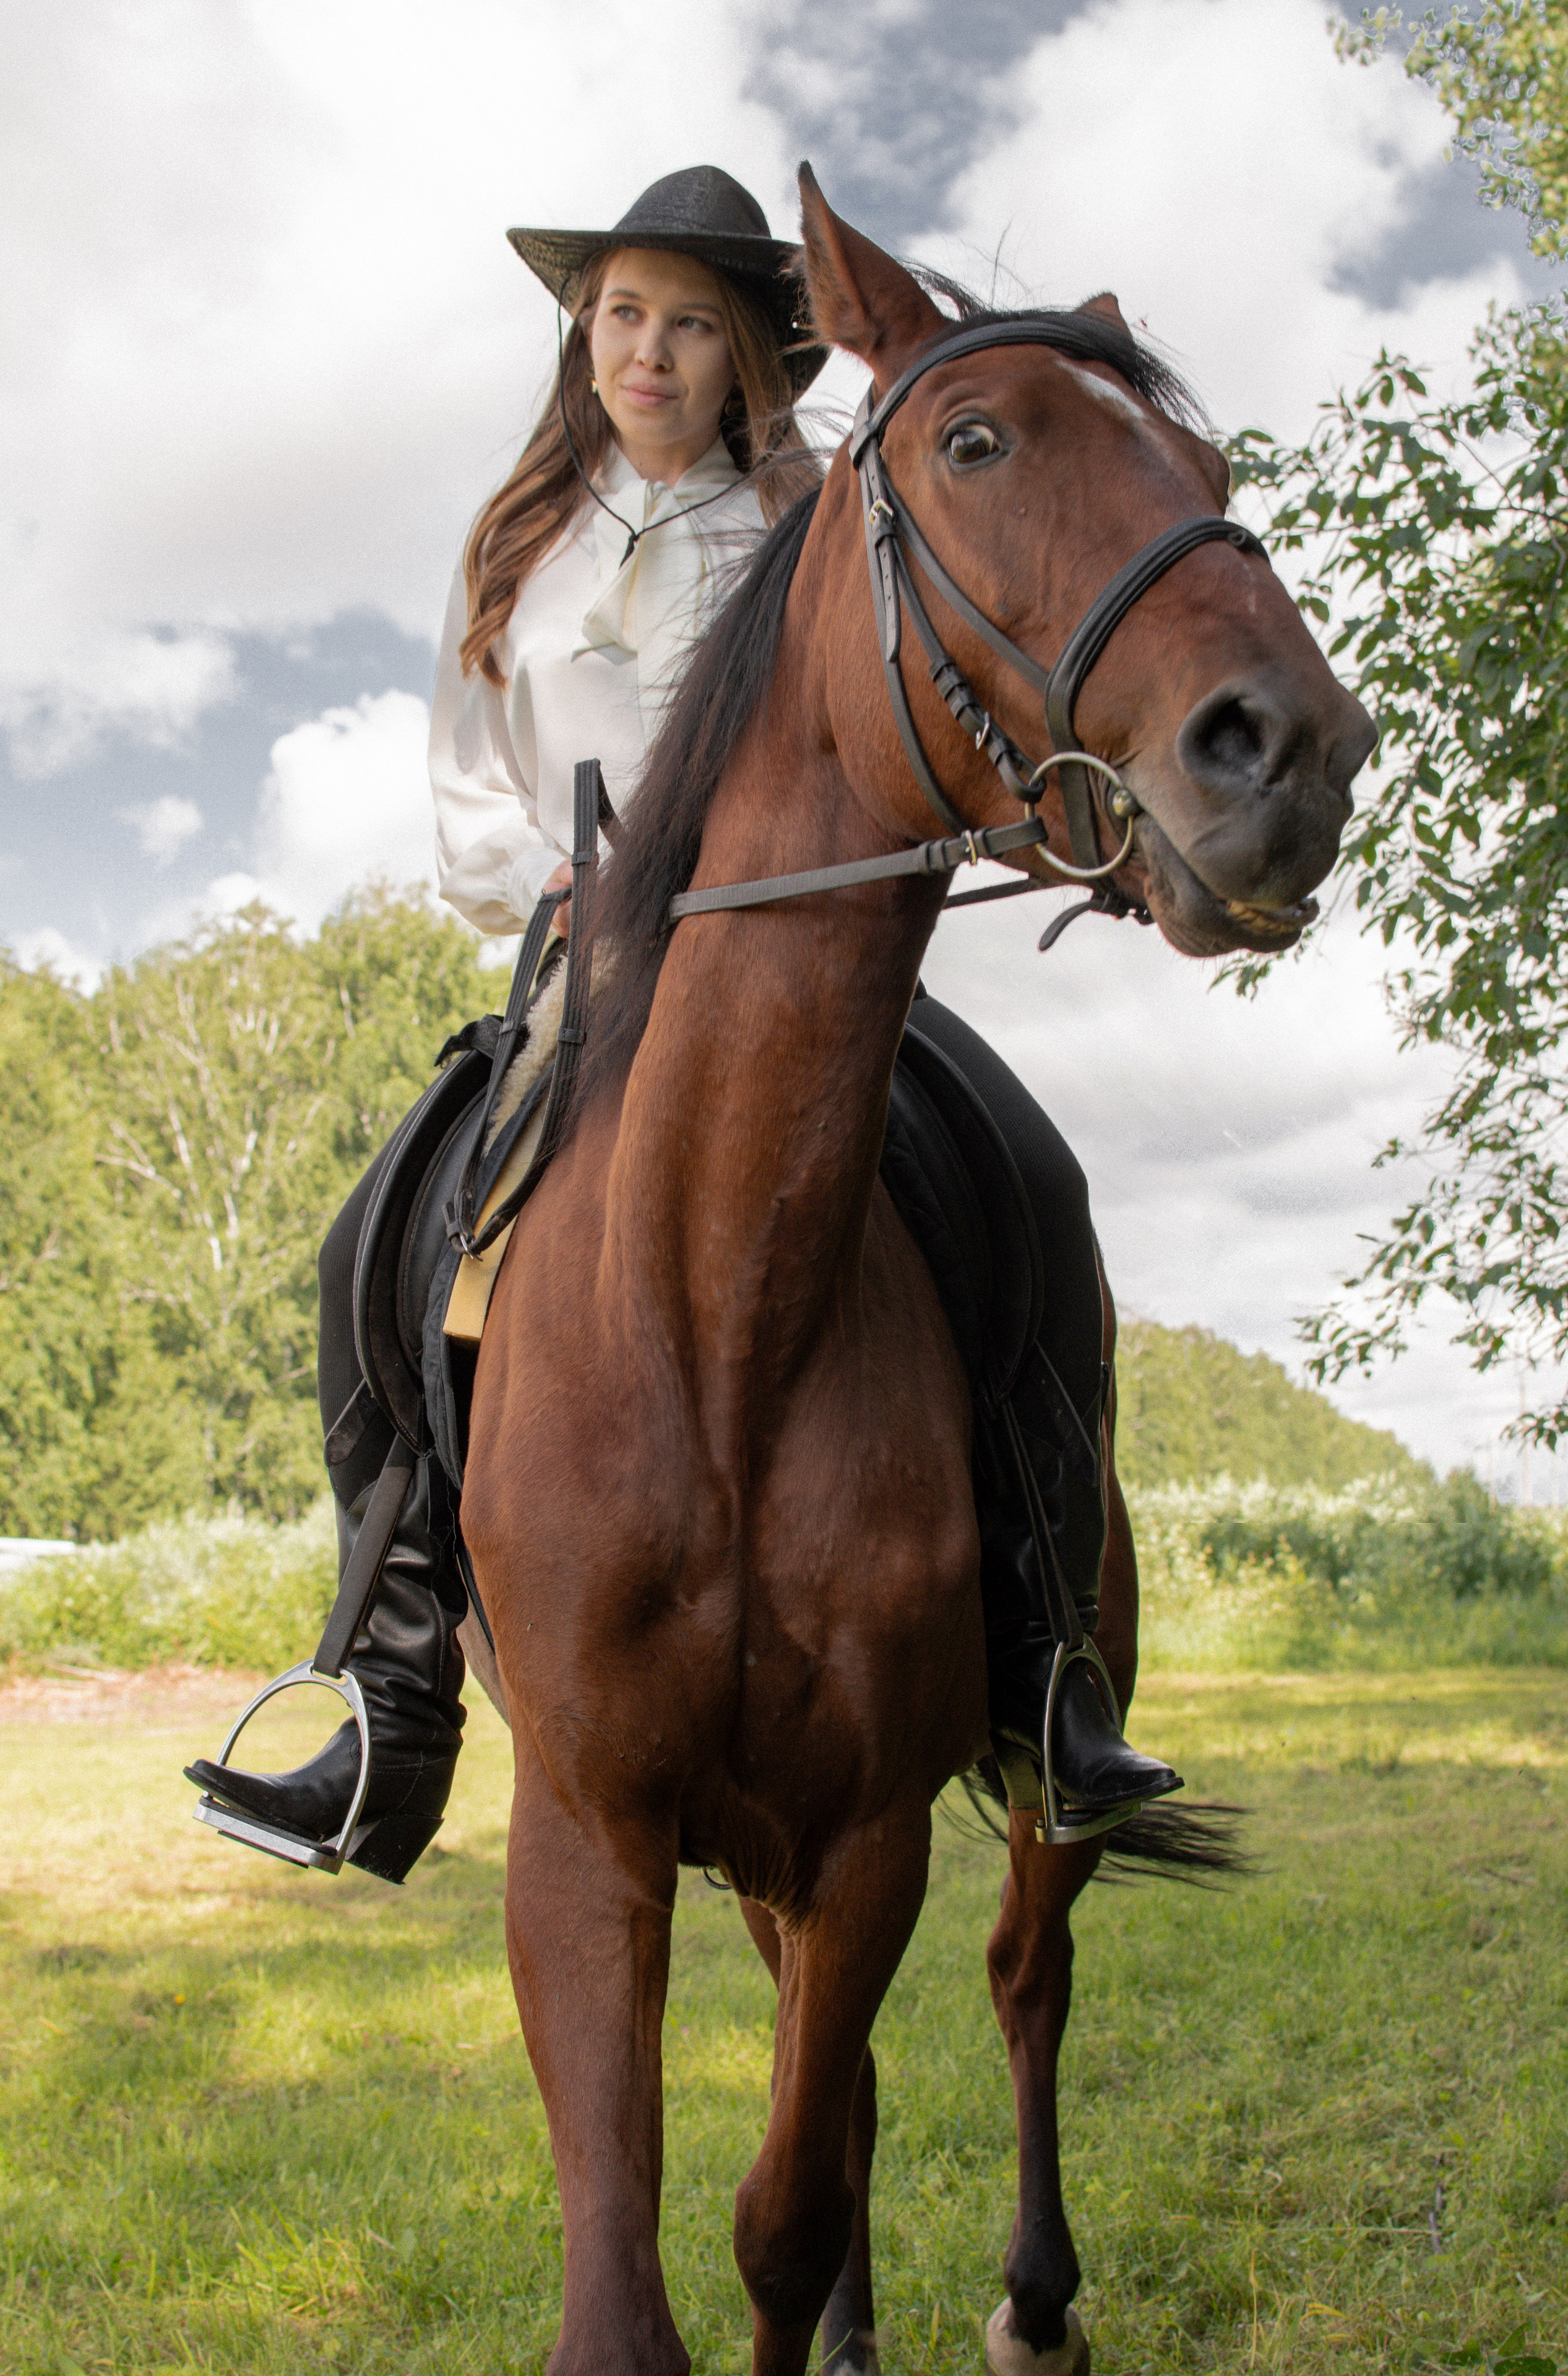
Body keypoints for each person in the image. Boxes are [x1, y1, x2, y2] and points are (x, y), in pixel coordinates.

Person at [185, 166, 1177, 1882]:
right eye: (625, 313)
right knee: (369, 1247)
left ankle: (1045, 1668)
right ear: (585, 330)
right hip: (583, 971)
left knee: (1038, 1188)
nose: (650, 351)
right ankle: (394, 1693)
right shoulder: (515, 546)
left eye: (693, 323)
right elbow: (462, 792)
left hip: (805, 967)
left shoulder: (812, 525)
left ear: (744, 360)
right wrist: (553, 882)